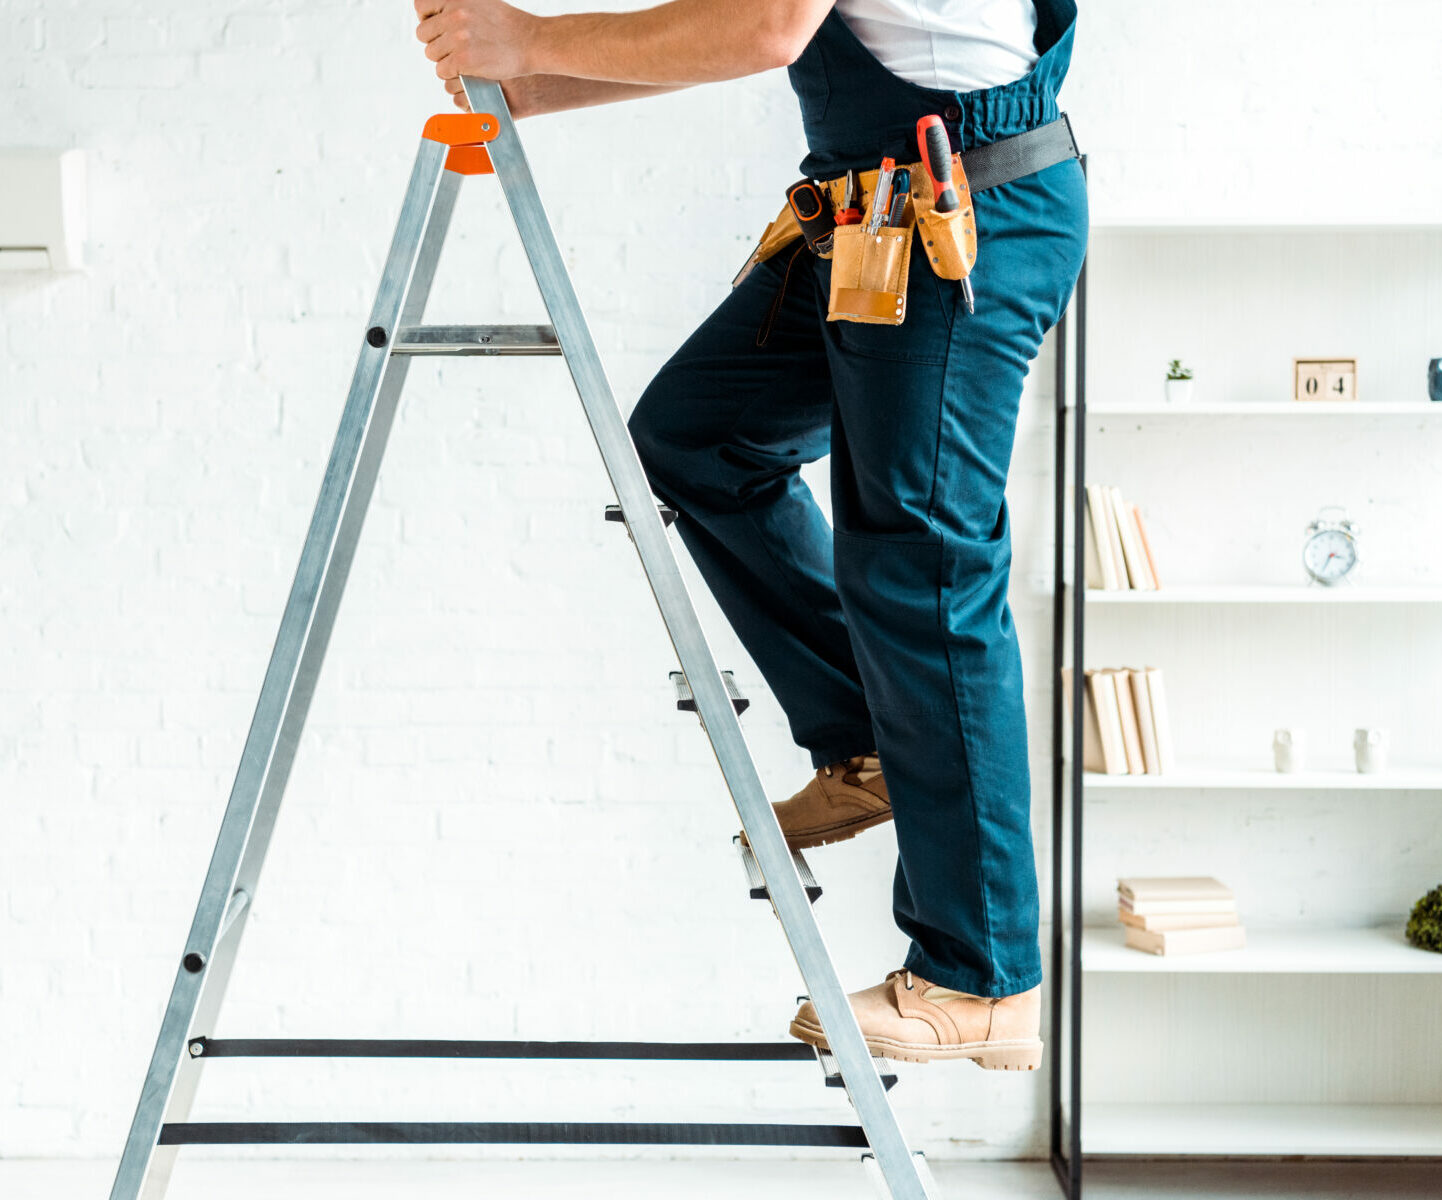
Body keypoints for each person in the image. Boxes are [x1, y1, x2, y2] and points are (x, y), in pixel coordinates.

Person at [413, 0, 1087, 1071]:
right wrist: (541, 82)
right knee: (700, 438)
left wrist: (530, 38)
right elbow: (740, 28)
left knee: (926, 570)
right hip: (867, 211)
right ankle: (864, 736)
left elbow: (766, 25)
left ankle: (981, 978)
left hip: (961, 213)